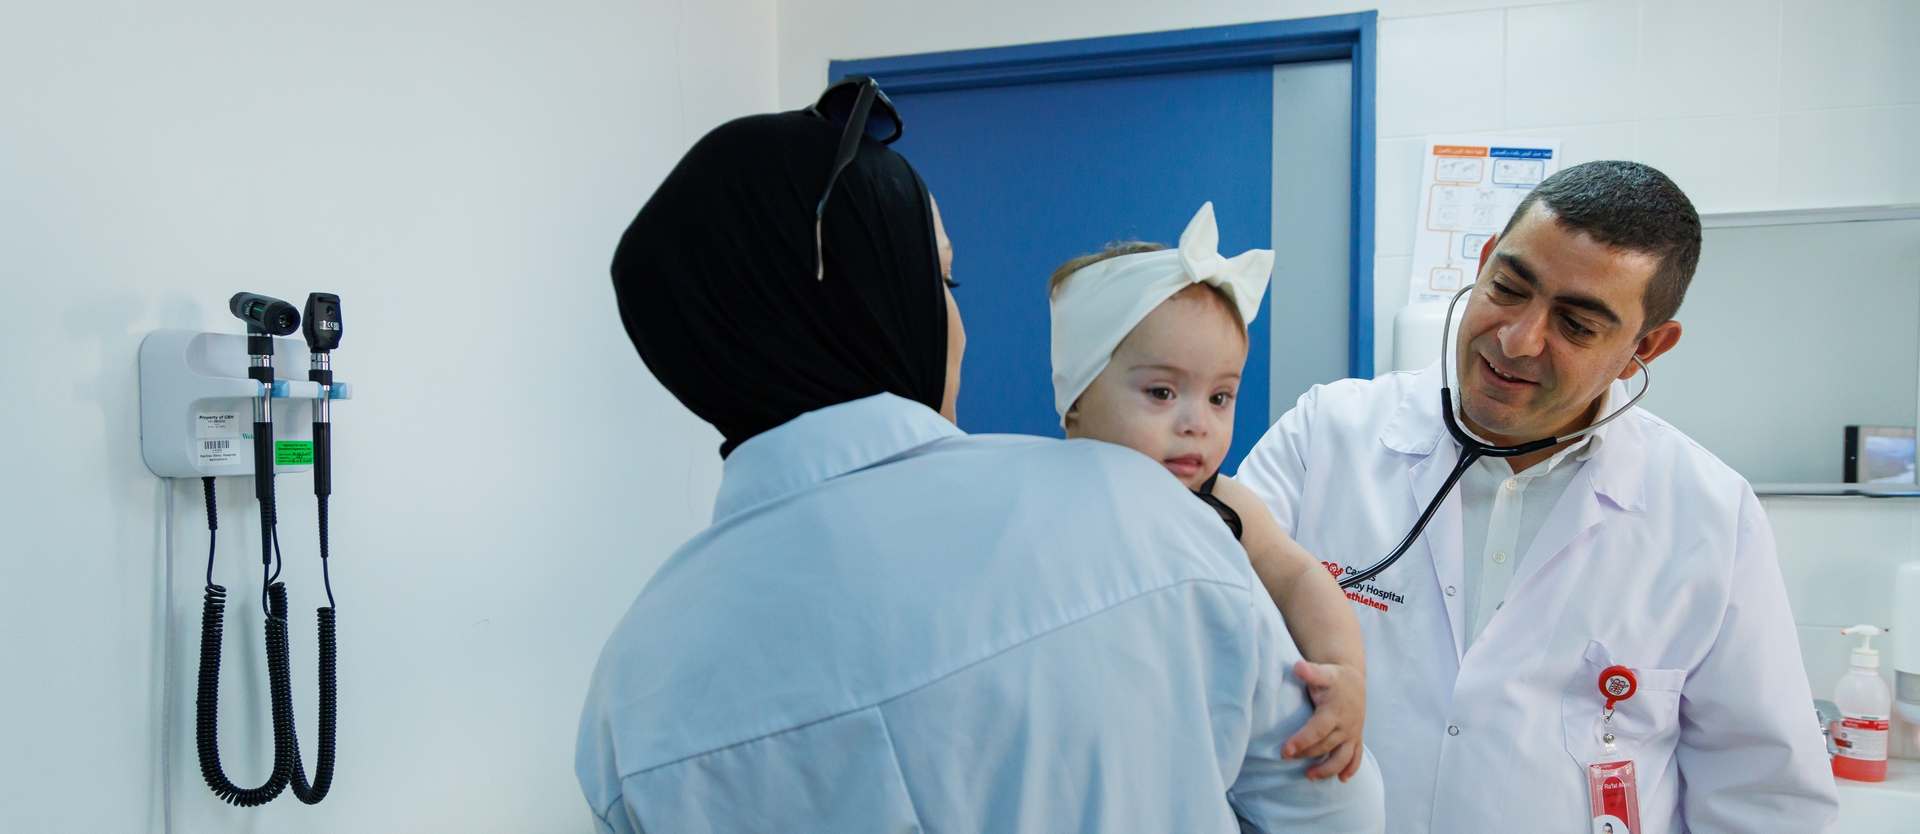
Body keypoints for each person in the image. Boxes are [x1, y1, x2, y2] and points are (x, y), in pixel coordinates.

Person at [576, 92, 1383, 832]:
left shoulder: (628, 700)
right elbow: (1334, 815)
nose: (959, 326)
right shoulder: (1150, 521)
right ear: (885, 307)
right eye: (941, 281)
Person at [1235, 160, 1840, 832]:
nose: (1517, 339)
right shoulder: (1326, 435)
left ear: (1646, 347)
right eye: (1508, 288)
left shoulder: (1709, 516)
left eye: (1576, 325)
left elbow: (1763, 797)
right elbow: (1203, 637)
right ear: (1486, 261)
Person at [1048, 202, 1368, 781]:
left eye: (1220, 397)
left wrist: (1343, 669)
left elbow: (1299, 577)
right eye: (1162, 392)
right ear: (1076, 399)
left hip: (1197, 754)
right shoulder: (1047, 502)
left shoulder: (1225, 505)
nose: (1197, 423)